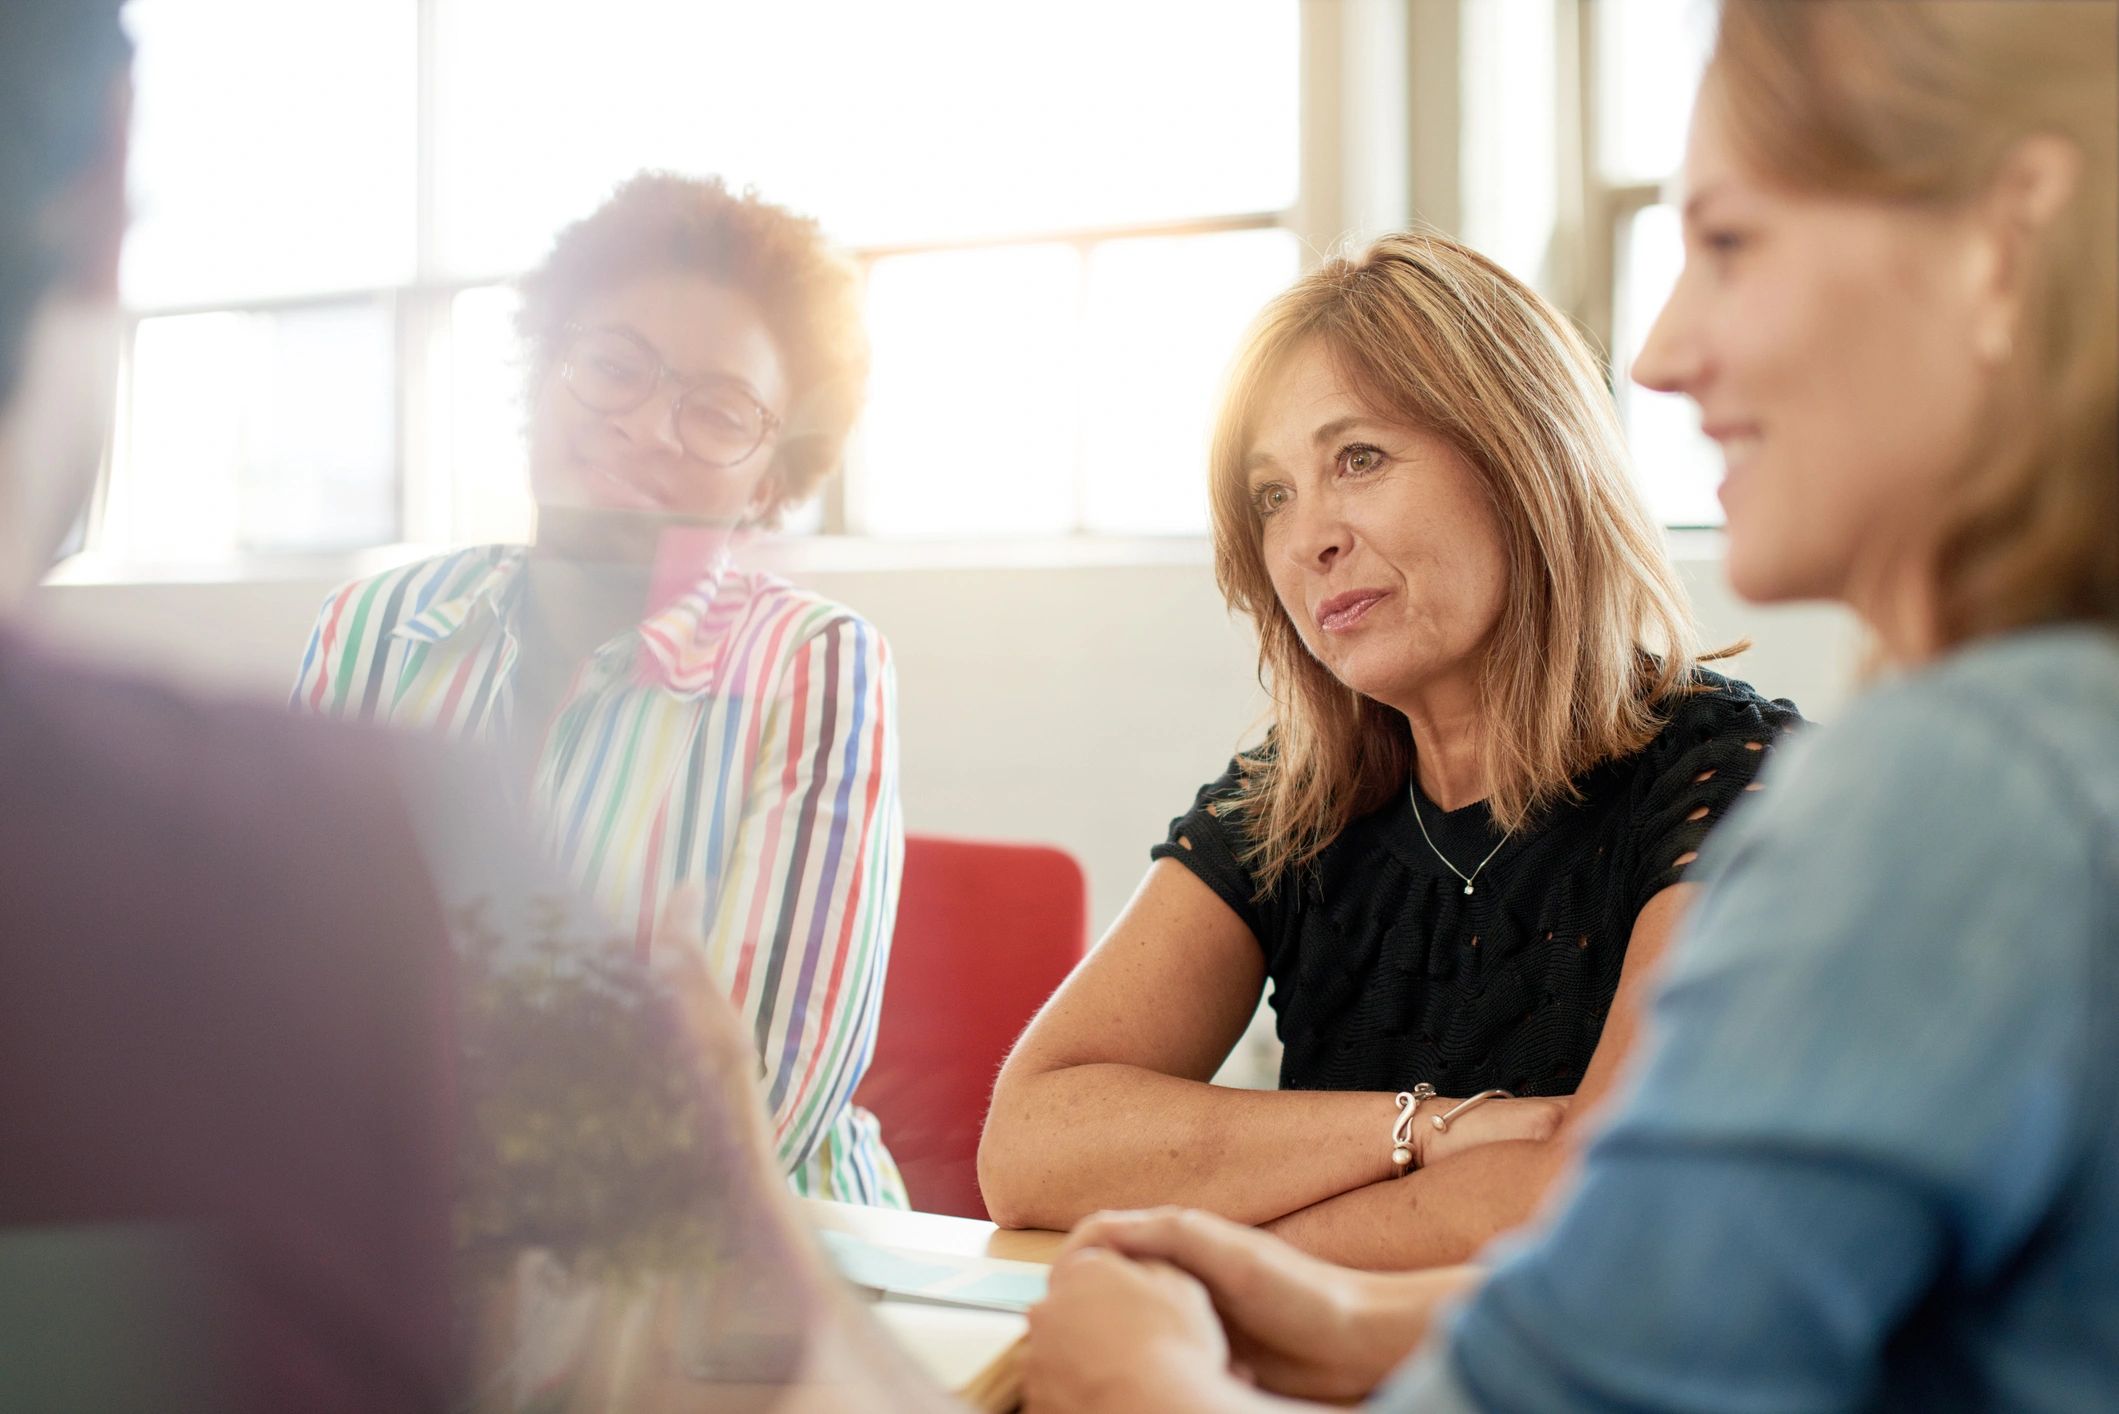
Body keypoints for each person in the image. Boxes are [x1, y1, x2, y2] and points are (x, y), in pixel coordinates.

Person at [1018, 0, 2119, 1409]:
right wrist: (1388, 1229)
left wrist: (1146, 1367)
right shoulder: (2026, 747)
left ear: (2003, 242)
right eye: (1270, 498)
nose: (1655, 351)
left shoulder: (1942, 782)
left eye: (1724, 243)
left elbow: (1587, 1300)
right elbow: (1708, 1310)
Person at [980, 228, 1801, 1266]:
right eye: (1271, 494)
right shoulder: (1288, 799)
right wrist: (1433, 1129)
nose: (1306, 537)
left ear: (1522, 457)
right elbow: (1031, 1145)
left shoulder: (1729, 778)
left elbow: (1598, 1207)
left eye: (1357, 459)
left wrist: (1220, 1242)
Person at [291, 175, 907, 1207]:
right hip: (395, 1241)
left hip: (739, 1283)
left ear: (766, 478)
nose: (649, 428)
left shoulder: (814, 667)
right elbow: (282, 995)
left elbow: (741, 1104)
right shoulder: (373, 632)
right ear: (541, 373)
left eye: (718, 408)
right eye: (615, 365)